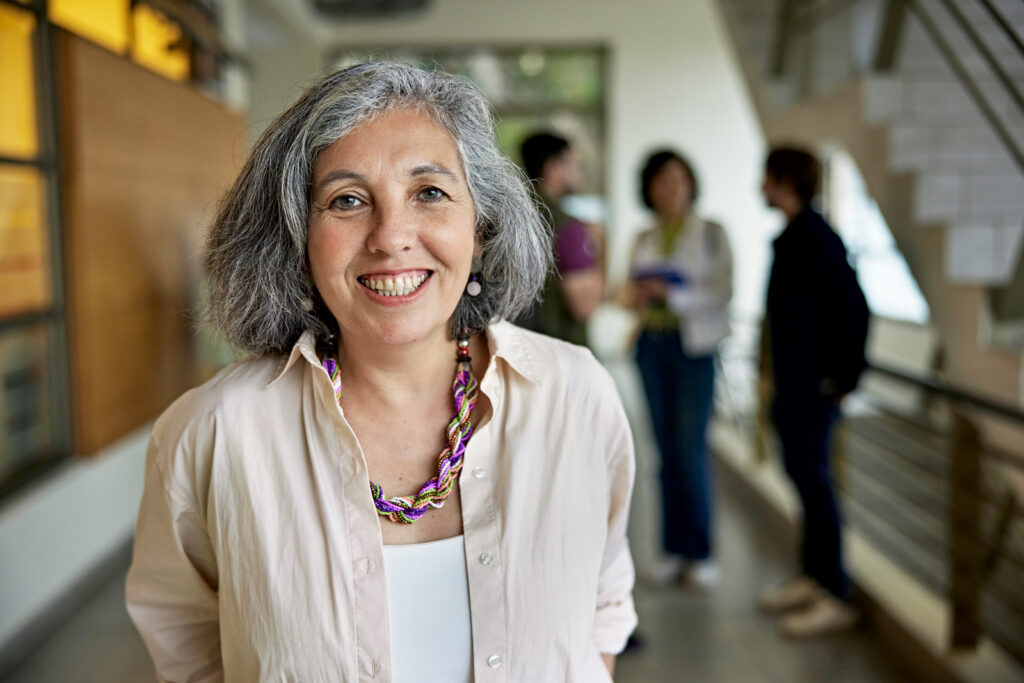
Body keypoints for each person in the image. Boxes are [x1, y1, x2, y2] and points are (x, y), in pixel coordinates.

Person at [125, 62, 637, 682]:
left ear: (480, 228)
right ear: (296, 239)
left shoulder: (575, 396)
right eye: (347, 200)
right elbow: (186, 646)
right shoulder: (212, 433)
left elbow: (603, 613)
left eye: (429, 192)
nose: (391, 236)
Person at [757, 145, 869, 637]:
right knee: (803, 479)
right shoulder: (793, 238)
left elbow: (855, 310)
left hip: (812, 389)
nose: (759, 186)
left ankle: (836, 593)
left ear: (784, 181)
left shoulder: (818, 239)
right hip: (793, 385)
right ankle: (814, 576)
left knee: (816, 484)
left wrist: (844, 380)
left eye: (766, 177)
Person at [622, 150, 732, 588]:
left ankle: (700, 551)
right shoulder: (644, 236)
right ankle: (670, 548)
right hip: (653, 346)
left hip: (695, 350)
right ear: (649, 188)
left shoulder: (711, 233)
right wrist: (642, 291)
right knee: (664, 451)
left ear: (691, 185)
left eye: (679, 179)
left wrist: (672, 294)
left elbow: (723, 290)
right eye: (662, 180)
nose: (670, 188)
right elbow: (629, 291)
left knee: (690, 449)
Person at [515, 132, 605, 346]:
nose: (578, 172)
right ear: (553, 169)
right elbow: (584, 307)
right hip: (558, 351)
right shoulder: (566, 227)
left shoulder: (511, 216)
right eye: (573, 163)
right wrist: (603, 248)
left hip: (514, 347)